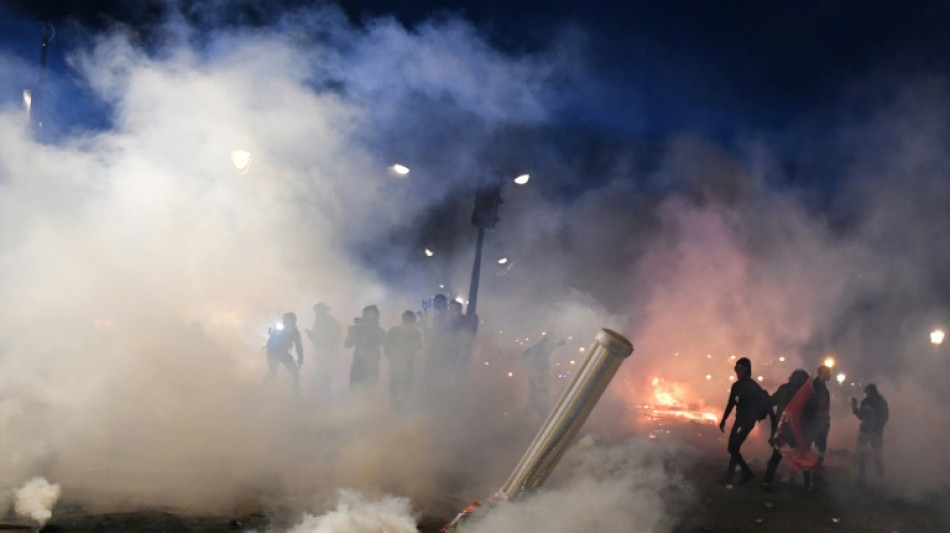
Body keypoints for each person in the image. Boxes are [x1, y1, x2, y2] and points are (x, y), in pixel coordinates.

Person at [718, 357, 766, 485]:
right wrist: (723, 420)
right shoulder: (736, 386)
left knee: (733, 447)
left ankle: (746, 473)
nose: (737, 373)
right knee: (733, 447)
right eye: (736, 369)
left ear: (746, 370)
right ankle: (730, 475)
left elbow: (763, 403)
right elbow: (731, 404)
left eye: (740, 369)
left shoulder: (753, 387)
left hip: (747, 422)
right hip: (739, 420)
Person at [762, 369, 810, 490]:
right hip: (795, 429)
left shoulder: (784, 389)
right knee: (802, 456)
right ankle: (808, 485)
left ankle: (767, 482)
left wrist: (764, 396)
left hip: (782, 428)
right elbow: (807, 412)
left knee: (776, 456)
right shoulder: (804, 393)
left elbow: (772, 401)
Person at [384, 310, 423, 409]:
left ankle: (399, 406)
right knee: (396, 383)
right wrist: (390, 355)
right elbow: (387, 344)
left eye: (409, 319)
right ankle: (395, 406)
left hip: (406, 361)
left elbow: (419, 345)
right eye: (407, 318)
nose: (408, 321)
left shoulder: (415, 332)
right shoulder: (395, 330)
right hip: (398, 361)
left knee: (403, 383)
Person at [852, 383, 888, 483]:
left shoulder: (873, 402)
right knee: (872, 454)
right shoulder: (878, 402)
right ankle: (874, 477)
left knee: (868, 454)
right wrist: (855, 409)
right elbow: (884, 417)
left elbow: (862, 416)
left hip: (870, 432)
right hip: (871, 432)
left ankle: (868, 476)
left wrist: (855, 409)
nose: (867, 394)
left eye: (867, 392)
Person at [802, 364, 832, 489]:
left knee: (820, 453)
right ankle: (807, 481)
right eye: (827, 372)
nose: (830, 375)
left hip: (822, 425)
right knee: (807, 452)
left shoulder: (824, 389)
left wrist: (827, 422)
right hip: (811, 424)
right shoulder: (811, 387)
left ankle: (816, 478)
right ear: (820, 373)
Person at [345, 305, 386, 394]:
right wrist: (352, 333)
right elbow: (347, 345)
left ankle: (366, 407)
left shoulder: (379, 331)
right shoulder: (356, 329)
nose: (368, 318)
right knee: (355, 392)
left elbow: (385, 343)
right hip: (358, 364)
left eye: (372, 316)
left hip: (372, 365)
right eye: (366, 315)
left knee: (368, 391)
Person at [305, 302, 342, 402]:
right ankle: (322, 397)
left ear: (324, 311)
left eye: (318, 311)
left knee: (324, 374)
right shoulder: (318, 322)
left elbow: (332, 337)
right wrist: (310, 335)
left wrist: (330, 347)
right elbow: (316, 337)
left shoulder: (329, 321)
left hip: (326, 352)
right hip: (320, 351)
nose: (316, 313)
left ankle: (327, 398)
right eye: (316, 311)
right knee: (320, 373)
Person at [262, 312, 304, 398]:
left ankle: (297, 396)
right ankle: (261, 391)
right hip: (273, 353)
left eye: (291, 321)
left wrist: (300, 359)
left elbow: (299, 346)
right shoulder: (278, 329)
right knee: (272, 371)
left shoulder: (295, 333)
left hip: (284, 354)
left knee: (295, 372)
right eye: (287, 320)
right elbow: (270, 341)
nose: (289, 322)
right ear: (284, 321)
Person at [522, 333, 564, 419]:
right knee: (542, 402)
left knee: (533, 403)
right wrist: (538, 382)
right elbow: (530, 366)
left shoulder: (543, 349)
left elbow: (558, 343)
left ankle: (519, 421)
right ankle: (545, 423)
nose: (551, 348)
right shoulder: (536, 352)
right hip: (538, 381)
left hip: (540, 380)